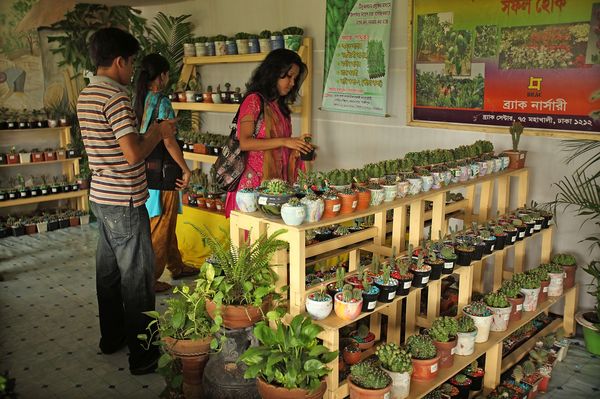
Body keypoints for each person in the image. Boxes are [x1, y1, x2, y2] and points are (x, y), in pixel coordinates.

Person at [77, 27, 177, 375]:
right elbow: (133, 153)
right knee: (137, 277)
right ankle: (144, 355)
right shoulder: (115, 97)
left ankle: (112, 337)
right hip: (124, 198)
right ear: (119, 60)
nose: (132, 69)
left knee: (107, 272)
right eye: (131, 61)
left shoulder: (86, 94)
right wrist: (158, 133)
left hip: (101, 197)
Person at [133, 53, 198, 293]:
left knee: (165, 223)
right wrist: (185, 168)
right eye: (167, 73)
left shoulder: (138, 100)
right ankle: (149, 280)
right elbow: (169, 142)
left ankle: (177, 265)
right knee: (161, 227)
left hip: (144, 172)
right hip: (163, 173)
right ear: (161, 76)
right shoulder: (162, 102)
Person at [224, 48, 313, 217]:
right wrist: (285, 141)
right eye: (288, 76)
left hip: (275, 186)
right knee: (251, 239)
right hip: (251, 188)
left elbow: (283, 147)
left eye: (295, 78)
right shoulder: (253, 101)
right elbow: (245, 142)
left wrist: (299, 148)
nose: (293, 83)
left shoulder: (278, 106)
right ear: (274, 72)